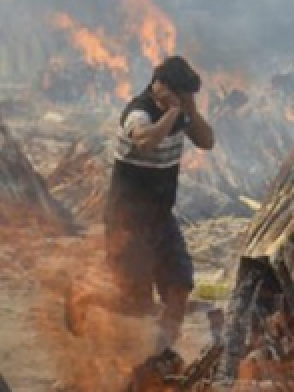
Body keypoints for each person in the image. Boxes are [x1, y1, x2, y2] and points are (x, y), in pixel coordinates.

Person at [65, 56, 215, 366]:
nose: (188, 100)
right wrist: (174, 110)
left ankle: (162, 354)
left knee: (179, 287)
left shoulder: (181, 112)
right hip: (127, 223)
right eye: (184, 94)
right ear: (161, 88)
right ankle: (83, 295)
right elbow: (146, 141)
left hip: (161, 218)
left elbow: (207, 141)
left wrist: (190, 111)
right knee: (136, 304)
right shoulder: (138, 113)